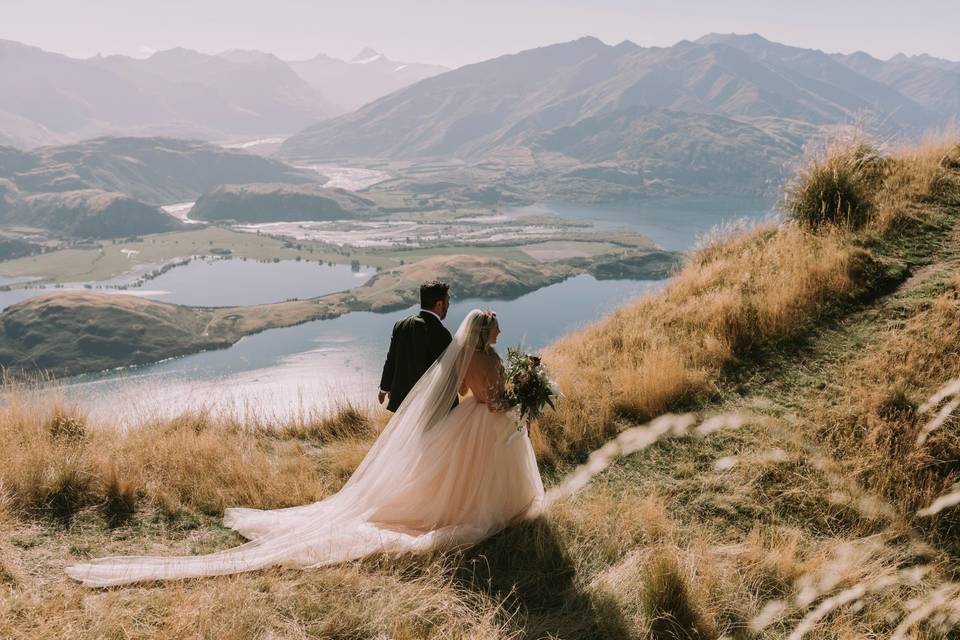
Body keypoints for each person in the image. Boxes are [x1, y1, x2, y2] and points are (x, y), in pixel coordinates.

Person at [66, 310, 544, 587]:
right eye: (496, 326)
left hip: (468, 422)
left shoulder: (464, 360)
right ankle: (496, 510)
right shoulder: (493, 359)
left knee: (454, 478)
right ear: (487, 333)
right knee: (481, 478)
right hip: (489, 425)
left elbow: (461, 395)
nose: (500, 330)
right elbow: (495, 398)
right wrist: (519, 393)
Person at [379, 280, 452, 412]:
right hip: (427, 404)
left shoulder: (401, 324)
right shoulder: (442, 334)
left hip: (401, 401)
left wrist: (384, 388)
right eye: (447, 301)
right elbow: (446, 373)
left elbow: (391, 360)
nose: (448, 305)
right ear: (439, 304)